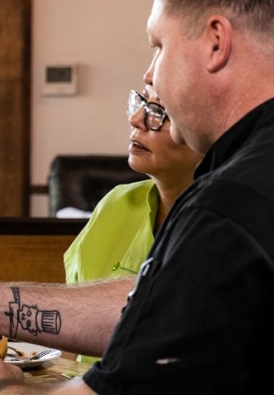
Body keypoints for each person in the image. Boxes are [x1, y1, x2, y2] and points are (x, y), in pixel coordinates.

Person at [0, 0, 274, 392]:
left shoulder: (227, 207)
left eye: (159, 46)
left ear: (215, 42)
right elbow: (173, 309)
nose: (151, 74)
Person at [64, 85, 202, 287]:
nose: (135, 120)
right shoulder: (116, 203)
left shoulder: (233, 220)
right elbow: (74, 306)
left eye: (159, 112)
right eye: (143, 102)